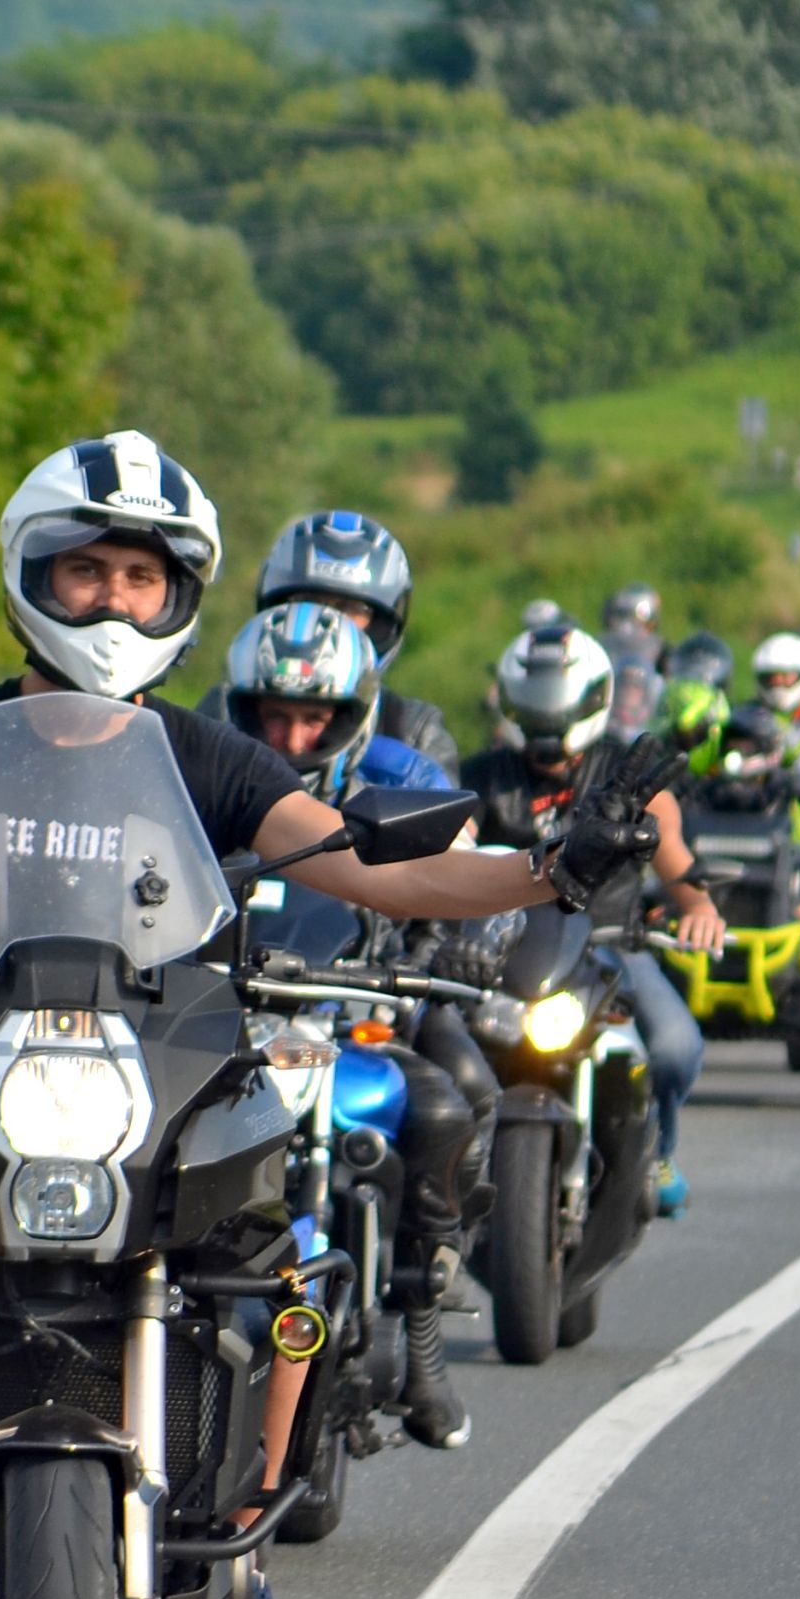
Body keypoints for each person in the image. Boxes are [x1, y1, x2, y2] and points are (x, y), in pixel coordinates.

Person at [0, 432, 666, 1599]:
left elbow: (372, 870)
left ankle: (247, 1565)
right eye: (86, 569)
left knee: (277, 1269)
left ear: (179, 599)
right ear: (32, 574)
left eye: (140, 579)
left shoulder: (208, 759)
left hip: (151, 1068)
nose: (111, 599)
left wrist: (549, 867)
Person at [213, 599, 489, 1448]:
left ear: (351, 712)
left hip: (358, 1001)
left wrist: (446, 943)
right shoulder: (199, 763)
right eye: (274, 715)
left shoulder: (404, 775)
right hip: (226, 1006)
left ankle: (424, 1341)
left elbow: (463, 863)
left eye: (313, 717)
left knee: (447, 1103)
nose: (293, 737)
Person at [459, 623, 724, 1217]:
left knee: (677, 1046)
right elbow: (451, 848)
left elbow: (676, 858)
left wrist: (701, 909)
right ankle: (449, 1170)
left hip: (610, 948)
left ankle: (658, 1148)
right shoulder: (481, 777)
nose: (544, 742)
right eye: (533, 725)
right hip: (505, 952)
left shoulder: (632, 775)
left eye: (554, 727)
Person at [251, 509, 460, 766]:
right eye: (309, 602)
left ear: (383, 624)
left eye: (348, 608)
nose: (327, 619)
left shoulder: (411, 731)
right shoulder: (226, 709)